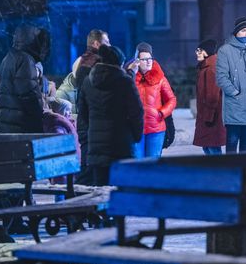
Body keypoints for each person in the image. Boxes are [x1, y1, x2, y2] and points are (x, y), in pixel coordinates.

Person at [77, 45, 144, 185]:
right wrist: (136, 136)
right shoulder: (125, 82)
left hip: (96, 149)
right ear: (119, 63)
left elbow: (83, 113)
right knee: (122, 189)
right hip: (122, 147)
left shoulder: (88, 82)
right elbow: (136, 113)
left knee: (100, 190)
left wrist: (94, 130)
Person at [216, 17, 246, 153]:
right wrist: (235, 93)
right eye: (243, 30)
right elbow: (221, 77)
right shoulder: (225, 51)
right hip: (235, 105)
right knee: (232, 141)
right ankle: (232, 166)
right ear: (236, 32)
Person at [0, 24, 50, 133]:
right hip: (23, 126)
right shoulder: (26, 60)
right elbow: (29, 94)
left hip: (6, 124)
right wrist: (39, 115)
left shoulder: (7, 58)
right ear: (33, 42)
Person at [128, 42, 177, 158]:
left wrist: (161, 113)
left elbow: (171, 99)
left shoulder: (160, 78)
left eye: (150, 58)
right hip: (135, 129)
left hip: (156, 129)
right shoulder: (129, 77)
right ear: (137, 61)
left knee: (153, 162)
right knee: (136, 162)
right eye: (145, 59)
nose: (149, 61)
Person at [75, 29, 110, 184]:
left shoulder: (84, 60)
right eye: (106, 42)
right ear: (96, 43)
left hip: (88, 122)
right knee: (89, 171)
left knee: (90, 168)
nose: (109, 45)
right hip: (92, 123)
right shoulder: (95, 63)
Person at [193, 39, 226, 155]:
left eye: (200, 50)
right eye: (197, 50)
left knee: (213, 149)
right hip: (207, 117)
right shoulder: (205, 67)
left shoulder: (211, 68)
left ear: (207, 51)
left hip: (212, 118)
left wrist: (208, 116)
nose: (197, 53)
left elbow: (212, 95)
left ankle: (219, 168)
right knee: (207, 148)